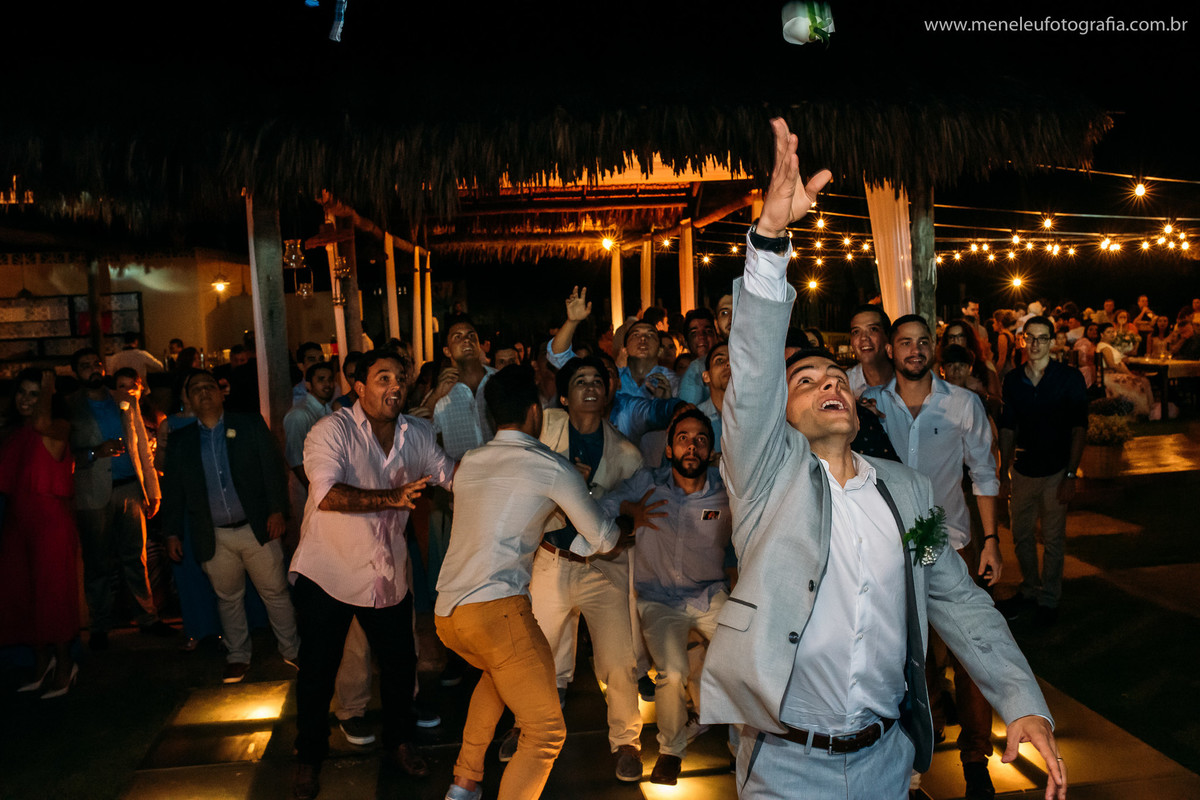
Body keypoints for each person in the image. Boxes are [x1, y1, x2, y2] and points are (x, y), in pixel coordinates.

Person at [699, 117, 1064, 800]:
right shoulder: (767, 481)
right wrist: (771, 242)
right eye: (804, 383)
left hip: (888, 764)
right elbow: (750, 379)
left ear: (858, 402)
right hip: (784, 768)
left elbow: (951, 594)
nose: (829, 384)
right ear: (781, 418)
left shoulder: (907, 496)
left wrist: (1023, 699)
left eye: (835, 377)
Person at [435, 365, 629, 800]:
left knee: (495, 675)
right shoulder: (550, 465)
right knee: (545, 732)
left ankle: (464, 784)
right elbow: (603, 537)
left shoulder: (471, 463)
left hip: (449, 614)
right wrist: (620, 520)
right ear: (533, 411)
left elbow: (512, 515)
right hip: (497, 610)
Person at [289, 350, 456, 800]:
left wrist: (502, 474)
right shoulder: (331, 431)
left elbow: (450, 477)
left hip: (386, 574)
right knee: (317, 674)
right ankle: (308, 759)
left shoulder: (416, 433)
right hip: (330, 573)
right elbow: (327, 495)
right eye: (383, 378)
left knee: (401, 668)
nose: (395, 386)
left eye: (400, 378)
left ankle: (399, 743)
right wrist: (393, 496)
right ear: (359, 387)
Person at [862, 315, 1005, 797]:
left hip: (955, 546)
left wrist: (991, 542)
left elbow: (985, 475)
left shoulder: (964, 404)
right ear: (890, 349)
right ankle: (917, 754)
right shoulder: (871, 407)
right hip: (893, 550)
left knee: (972, 655)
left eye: (923, 342)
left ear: (933, 349)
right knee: (908, 658)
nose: (915, 350)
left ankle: (976, 759)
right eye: (905, 342)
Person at [514, 355, 646, 782]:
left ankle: (626, 741)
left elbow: (635, 511)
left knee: (618, 659)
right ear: (565, 395)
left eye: (597, 381)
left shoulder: (626, 453)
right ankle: (525, 730)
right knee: (539, 652)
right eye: (580, 381)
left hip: (604, 566)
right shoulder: (545, 429)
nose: (589, 387)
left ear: (607, 394)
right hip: (552, 559)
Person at [598, 408, 732, 785]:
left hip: (711, 594)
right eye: (684, 438)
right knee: (672, 672)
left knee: (743, 659)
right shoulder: (648, 484)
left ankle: (746, 745)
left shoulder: (726, 491)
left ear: (711, 453)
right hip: (659, 600)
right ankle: (672, 751)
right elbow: (605, 505)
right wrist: (628, 514)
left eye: (701, 440)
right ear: (670, 450)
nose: (693, 446)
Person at [162, 370, 298, 684]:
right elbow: (174, 493)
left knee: (275, 592)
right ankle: (237, 655)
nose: (203, 392)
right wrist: (171, 532)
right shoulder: (182, 442)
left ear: (222, 392)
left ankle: (292, 649)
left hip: (257, 528)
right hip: (214, 534)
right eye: (195, 389)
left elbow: (273, 470)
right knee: (228, 598)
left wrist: (278, 511)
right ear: (188, 399)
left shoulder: (248, 425)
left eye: (209, 386)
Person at [67, 347, 172, 650]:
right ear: (76, 372)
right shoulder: (71, 407)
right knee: (97, 562)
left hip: (129, 488)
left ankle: (147, 618)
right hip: (91, 491)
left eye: (96, 364)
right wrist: (94, 452)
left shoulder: (125, 401)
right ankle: (100, 625)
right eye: (85, 366)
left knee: (136, 558)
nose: (93, 370)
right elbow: (66, 453)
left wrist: (152, 491)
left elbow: (141, 449)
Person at [997, 316, 1088, 627]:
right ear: (1023, 340)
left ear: (1052, 341)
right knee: (1021, 535)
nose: (1035, 344)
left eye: (1042, 338)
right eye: (1030, 338)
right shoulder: (1012, 380)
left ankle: (1049, 596)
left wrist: (1072, 475)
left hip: (1056, 470)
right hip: (1023, 469)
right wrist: (1003, 470)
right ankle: (1029, 588)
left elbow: (1079, 428)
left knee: (1052, 537)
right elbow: (1008, 427)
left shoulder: (1069, 378)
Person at [0, 369, 80, 698]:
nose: (26, 399)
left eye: (35, 394)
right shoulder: (12, 433)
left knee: (53, 595)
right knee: (22, 594)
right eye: (23, 392)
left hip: (50, 521)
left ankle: (64, 666)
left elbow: (44, 425)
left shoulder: (58, 426)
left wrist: (48, 389)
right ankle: (41, 663)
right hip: (18, 521)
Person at [1095, 324, 1155, 416]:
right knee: (1139, 382)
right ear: (1102, 335)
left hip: (1114, 373)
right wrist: (1128, 373)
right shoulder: (1104, 347)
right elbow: (1112, 364)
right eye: (1108, 332)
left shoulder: (1108, 346)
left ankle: (1151, 410)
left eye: (1113, 332)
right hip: (1109, 376)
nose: (1112, 334)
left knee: (1144, 381)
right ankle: (1139, 412)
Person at [845, 304, 893, 398]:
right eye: (856, 332)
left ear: (887, 336)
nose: (863, 338)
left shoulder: (906, 376)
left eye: (873, 329)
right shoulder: (845, 384)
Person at [678, 308, 718, 404]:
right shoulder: (694, 369)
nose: (701, 336)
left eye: (708, 331)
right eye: (694, 333)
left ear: (716, 337)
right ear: (686, 343)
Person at [698, 342, 730, 453]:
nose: (728, 364)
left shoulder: (755, 415)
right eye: (719, 360)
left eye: (734, 360)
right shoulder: (695, 419)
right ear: (706, 376)